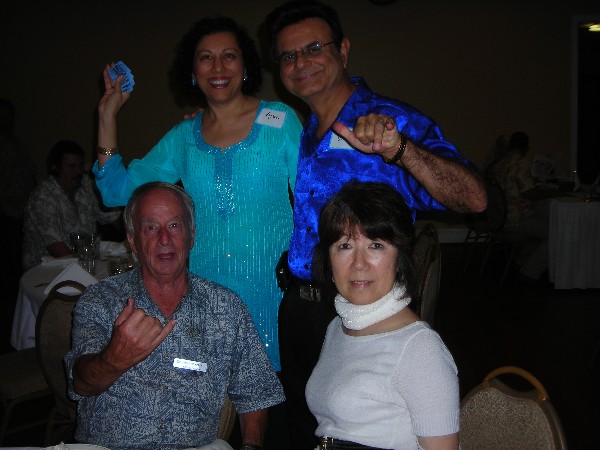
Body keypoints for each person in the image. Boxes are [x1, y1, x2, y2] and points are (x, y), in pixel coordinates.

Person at [264, 1, 485, 446]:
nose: (300, 63)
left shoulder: (388, 119)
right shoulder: (303, 129)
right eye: (288, 56)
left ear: (343, 51)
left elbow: (474, 198)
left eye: (313, 48)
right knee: (307, 430)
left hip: (368, 310)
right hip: (302, 309)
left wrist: (398, 149)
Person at [93, 16, 302, 371]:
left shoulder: (279, 120)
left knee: (275, 413)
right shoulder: (183, 137)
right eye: (206, 57)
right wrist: (107, 114)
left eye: (229, 56)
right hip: (207, 301)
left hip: (274, 296)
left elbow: (315, 201)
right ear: (192, 72)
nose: (218, 67)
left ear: (246, 65)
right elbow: (116, 191)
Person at [65, 182, 284, 450]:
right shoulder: (100, 301)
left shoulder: (227, 309)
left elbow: (256, 395)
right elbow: (81, 383)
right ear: (133, 240)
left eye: (174, 226)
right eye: (150, 228)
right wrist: (114, 360)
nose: (164, 239)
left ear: (191, 236)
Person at [307, 180, 459, 450]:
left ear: (399, 258)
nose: (359, 263)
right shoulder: (338, 327)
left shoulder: (420, 349)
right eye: (344, 246)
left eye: (376, 245)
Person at [22, 140, 121, 271]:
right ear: (56, 168)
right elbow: (57, 249)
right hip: (45, 273)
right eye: (72, 167)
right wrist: (86, 273)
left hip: (84, 263)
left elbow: (113, 217)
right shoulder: (43, 196)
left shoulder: (85, 184)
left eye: (80, 165)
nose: (78, 172)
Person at [487, 131, 549, 281]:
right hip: (515, 218)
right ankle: (530, 271)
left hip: (498, 218)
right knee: (556, 231)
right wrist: (551, 193)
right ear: (526, 147)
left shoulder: (499, 164)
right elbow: (529, 193)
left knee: (539, 225)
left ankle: (521, 261)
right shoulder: (521, 163)